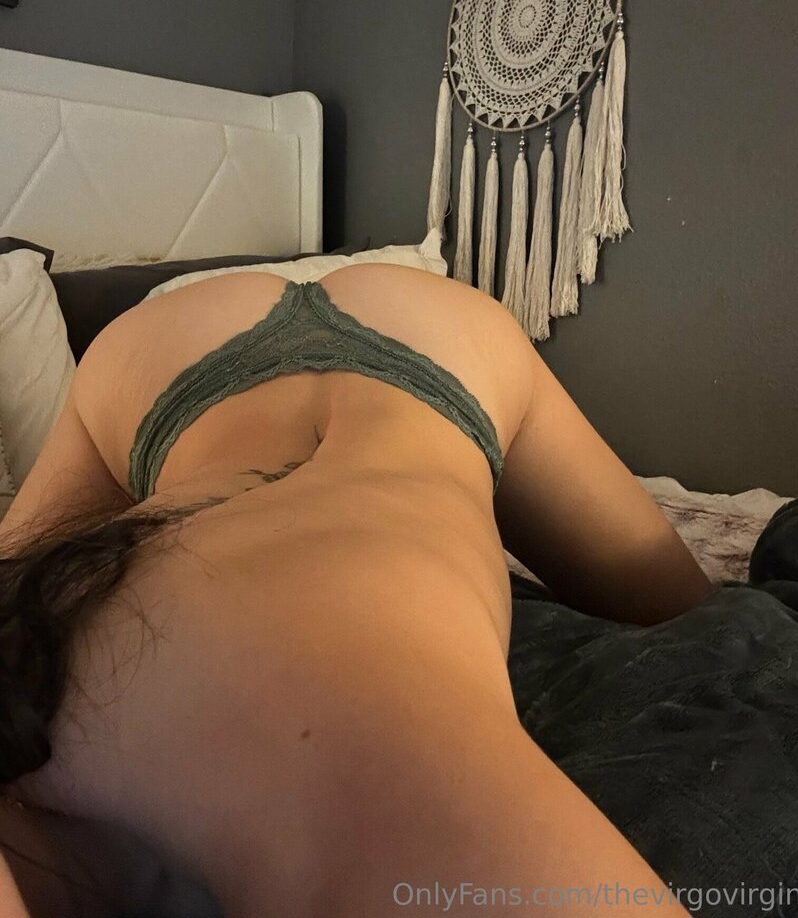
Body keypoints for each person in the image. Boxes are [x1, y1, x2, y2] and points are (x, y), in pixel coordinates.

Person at [0, 261, 711, 917]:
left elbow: (20, 560)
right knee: (691, 612)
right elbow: (667, 599)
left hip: (157, 367)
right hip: (430, 349)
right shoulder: (478, 326)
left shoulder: (120, 349)